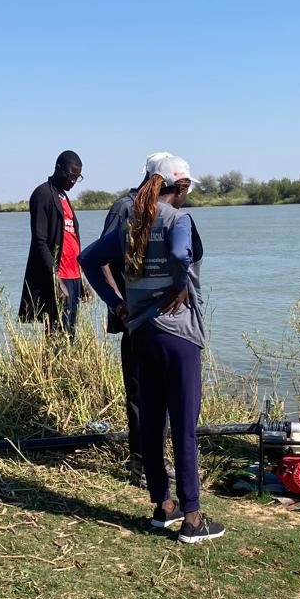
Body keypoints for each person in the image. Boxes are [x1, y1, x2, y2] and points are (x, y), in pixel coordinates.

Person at [79, 154, 224, 544]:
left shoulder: (131, 221)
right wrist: (181, 284)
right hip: (179, 336)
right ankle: (193, 517)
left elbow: (88, 259)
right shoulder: (179, 221)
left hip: (141, 333)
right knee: (184, 426)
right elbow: (180, 255)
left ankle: (163, 506)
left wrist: (116, 302)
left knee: (152, 422)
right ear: (181, 187)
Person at [95, 152, 177, 487]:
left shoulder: (164, 210)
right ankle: (141, 465)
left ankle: (158, 457)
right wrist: (118, 304)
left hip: (163, 321)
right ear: (157, 179)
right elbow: (98, 258)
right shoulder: (124, 208)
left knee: (164, 392)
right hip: (136, 320)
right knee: (140, 394)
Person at [18, 150, 89, 336]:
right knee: (57, 334)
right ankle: (50, 366)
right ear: (58, 168)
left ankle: (68, 366)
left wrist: (82, 277)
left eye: (77, 177)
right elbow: (39, 241)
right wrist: (55, 279)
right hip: (59, 277)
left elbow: (72, 239)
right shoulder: (43, 194)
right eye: (70, 175)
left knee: (70, 333)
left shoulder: (63, 196)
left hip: (73, 275)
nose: (73, 181)